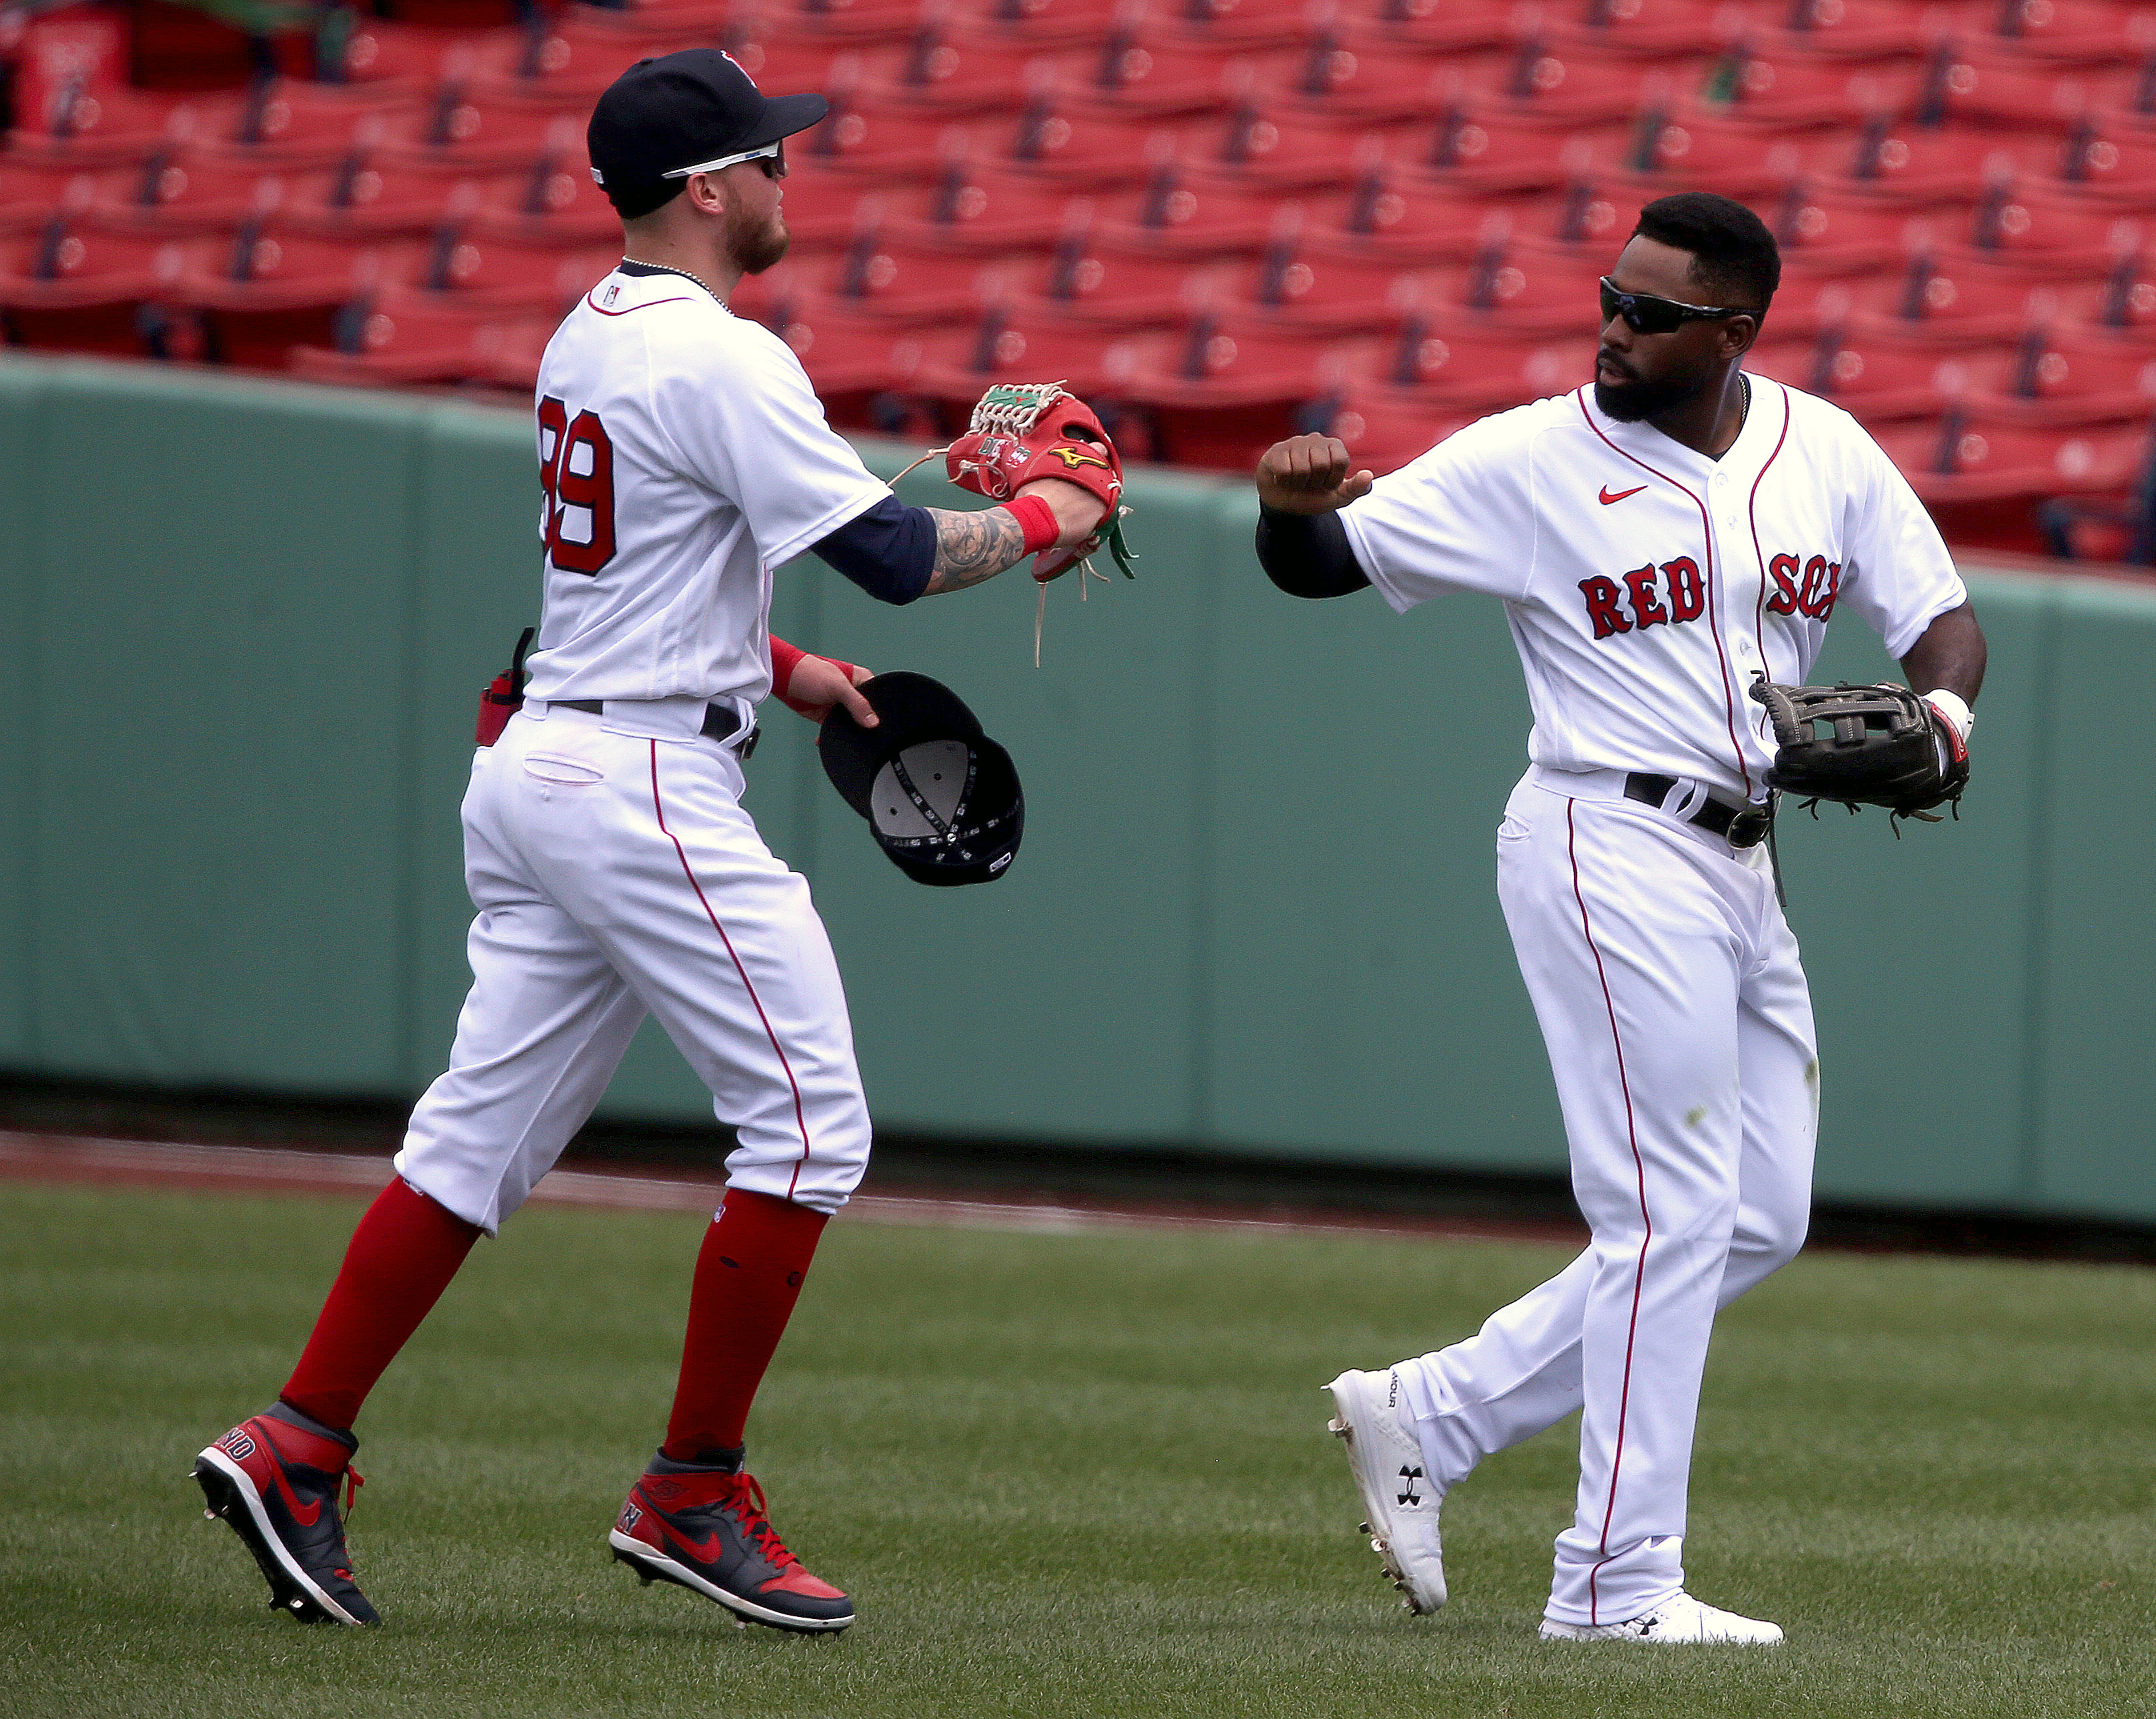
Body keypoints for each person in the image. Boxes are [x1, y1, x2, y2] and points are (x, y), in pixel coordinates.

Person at [190, 49, 1107, 1634]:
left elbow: (636, 587)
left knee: (472, 1142)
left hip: (559, 756)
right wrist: (1051, 517)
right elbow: (894, 553)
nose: (783, 179)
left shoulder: (585, 334)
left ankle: (298, 1442)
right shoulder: (720, 356)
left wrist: (792, 671)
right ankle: (692, 1488)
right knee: (812, 1127)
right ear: (707, 187)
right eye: (769, 158)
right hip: (639, 789)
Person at [1259, 191, 1986, 1646]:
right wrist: (1288, 507)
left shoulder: (1817, 446)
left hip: (1741, 864)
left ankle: (1432, 1411)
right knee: (1662, 1213)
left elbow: (1938, 617)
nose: (1613, 328)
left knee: (1755, 1214)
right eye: (1608, 296)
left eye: (1650, 315)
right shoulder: (1532, 455)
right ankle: (1610, 1579)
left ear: (1732, 331)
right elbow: (1321, 566)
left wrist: (1949, 713)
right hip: (1604, 833)